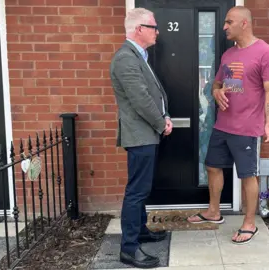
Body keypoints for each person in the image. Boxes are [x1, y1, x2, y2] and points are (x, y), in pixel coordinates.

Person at [187, 6, 269, 245]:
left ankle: (249, 223)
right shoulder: (229, 55)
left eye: (229, 22)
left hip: (247, 128)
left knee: (248, 175)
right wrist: (217, 92)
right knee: (212, 166)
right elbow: (217, 84)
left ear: (244, 23)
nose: (224, 27)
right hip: (223, 125)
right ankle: (213, 211)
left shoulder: (265, 53)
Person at [110, 8, 173, 269]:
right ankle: (129, 248)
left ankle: (142, 231)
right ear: (139, 29)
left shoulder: (138, 55)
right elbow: (141, 101)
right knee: (136, 192)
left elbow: (153, 94)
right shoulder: (126, 58)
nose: (157, 31)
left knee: (142, 189)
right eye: (153, 27)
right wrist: (161, 122)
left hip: (147, 133)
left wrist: (164, 115)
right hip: (141, 135)